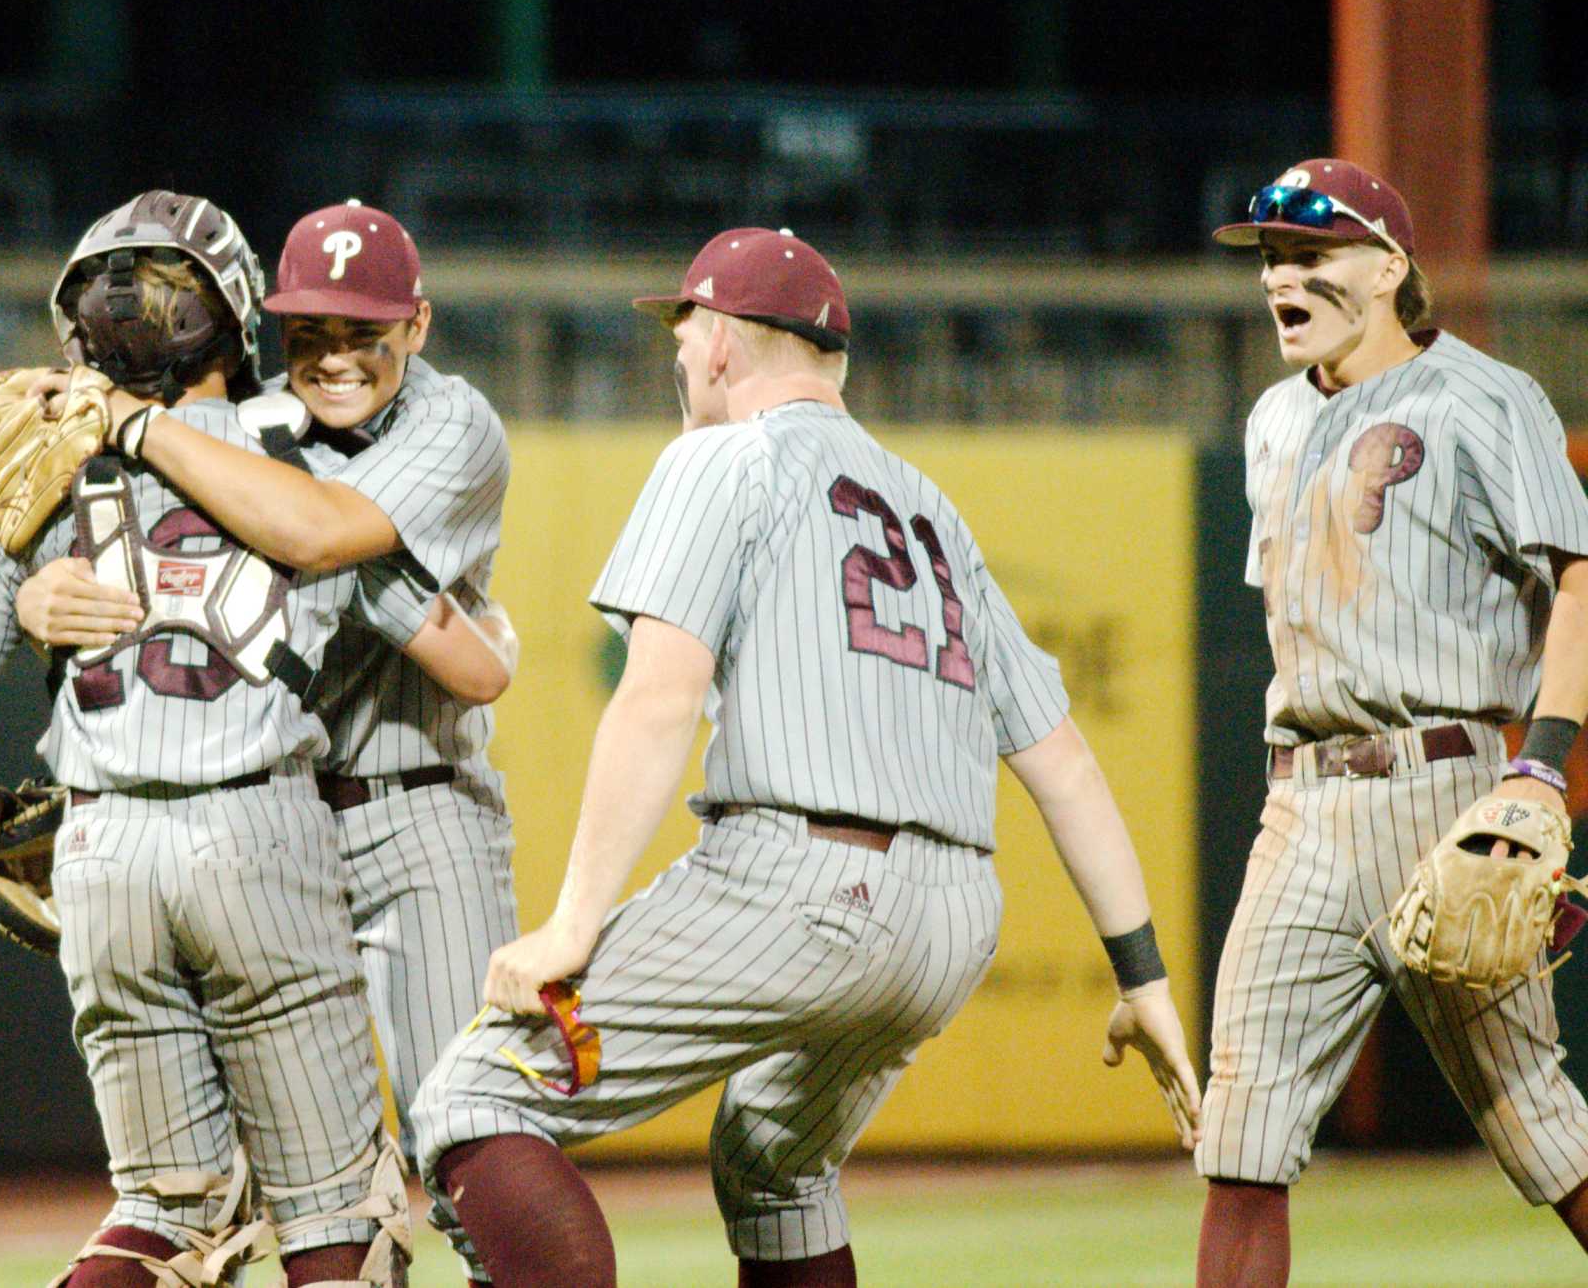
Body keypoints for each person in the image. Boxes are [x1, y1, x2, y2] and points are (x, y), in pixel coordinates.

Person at [406, 227, 1204, 1288]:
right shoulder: (934, 511)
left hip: (802, 883)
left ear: (726, 344)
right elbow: (1061, 762)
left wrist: (573, 923)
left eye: (683, 328)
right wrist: (1139, 972)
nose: (677, 353)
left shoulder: (721, 456)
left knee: (470, 1097)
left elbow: (655, 701)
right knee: (773, 1162)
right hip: (953, 921)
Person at [0, 190, 513, 1288]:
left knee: (161, 1214)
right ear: (239, 321)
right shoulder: (306, 458)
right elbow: (467, 661)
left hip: (97, 855)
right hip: (259, 831)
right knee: (335, 1219)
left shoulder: (27, 476)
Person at [1194, 158, 1588, 1285]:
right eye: (1269, 257)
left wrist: (1542, 770)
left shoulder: (1484, 395)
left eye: (1308, 253)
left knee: (1537, 1127)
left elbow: (1576, 581)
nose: (1280, 274)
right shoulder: (1273, 421)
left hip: (1446, 787)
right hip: (1300, 800)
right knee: (1241, 1134)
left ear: (1384, 267)